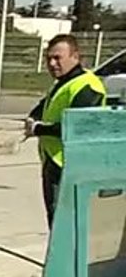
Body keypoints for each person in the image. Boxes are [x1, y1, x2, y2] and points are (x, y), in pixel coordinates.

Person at [26, 35, 107, 227]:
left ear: (75, 57)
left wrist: (38, 128)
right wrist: (33, 118)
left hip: (72, 165)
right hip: (54, 160)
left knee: (66, 222)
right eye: (48, 58)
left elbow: (78, 126)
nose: (52, 64)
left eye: (57, 58)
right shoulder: (63, 83)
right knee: (56, 219)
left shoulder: (87, 86)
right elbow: (43, 107)